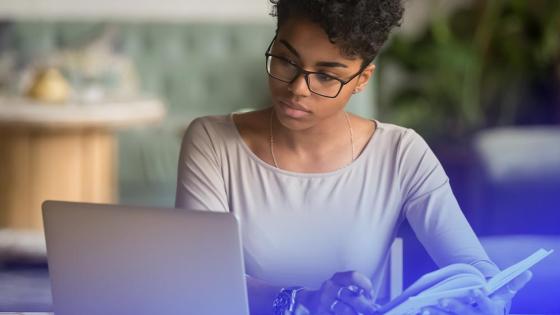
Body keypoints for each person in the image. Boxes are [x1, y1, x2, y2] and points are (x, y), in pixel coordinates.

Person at [175, 0, 531, 314]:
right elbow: (199, 278)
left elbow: (475, 269)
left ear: (362, 79)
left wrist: (489, 300)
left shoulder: (400, 153)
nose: (298, 89)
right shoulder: (212, 142)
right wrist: (300, 301)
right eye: (286, 60)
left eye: (327, 76)